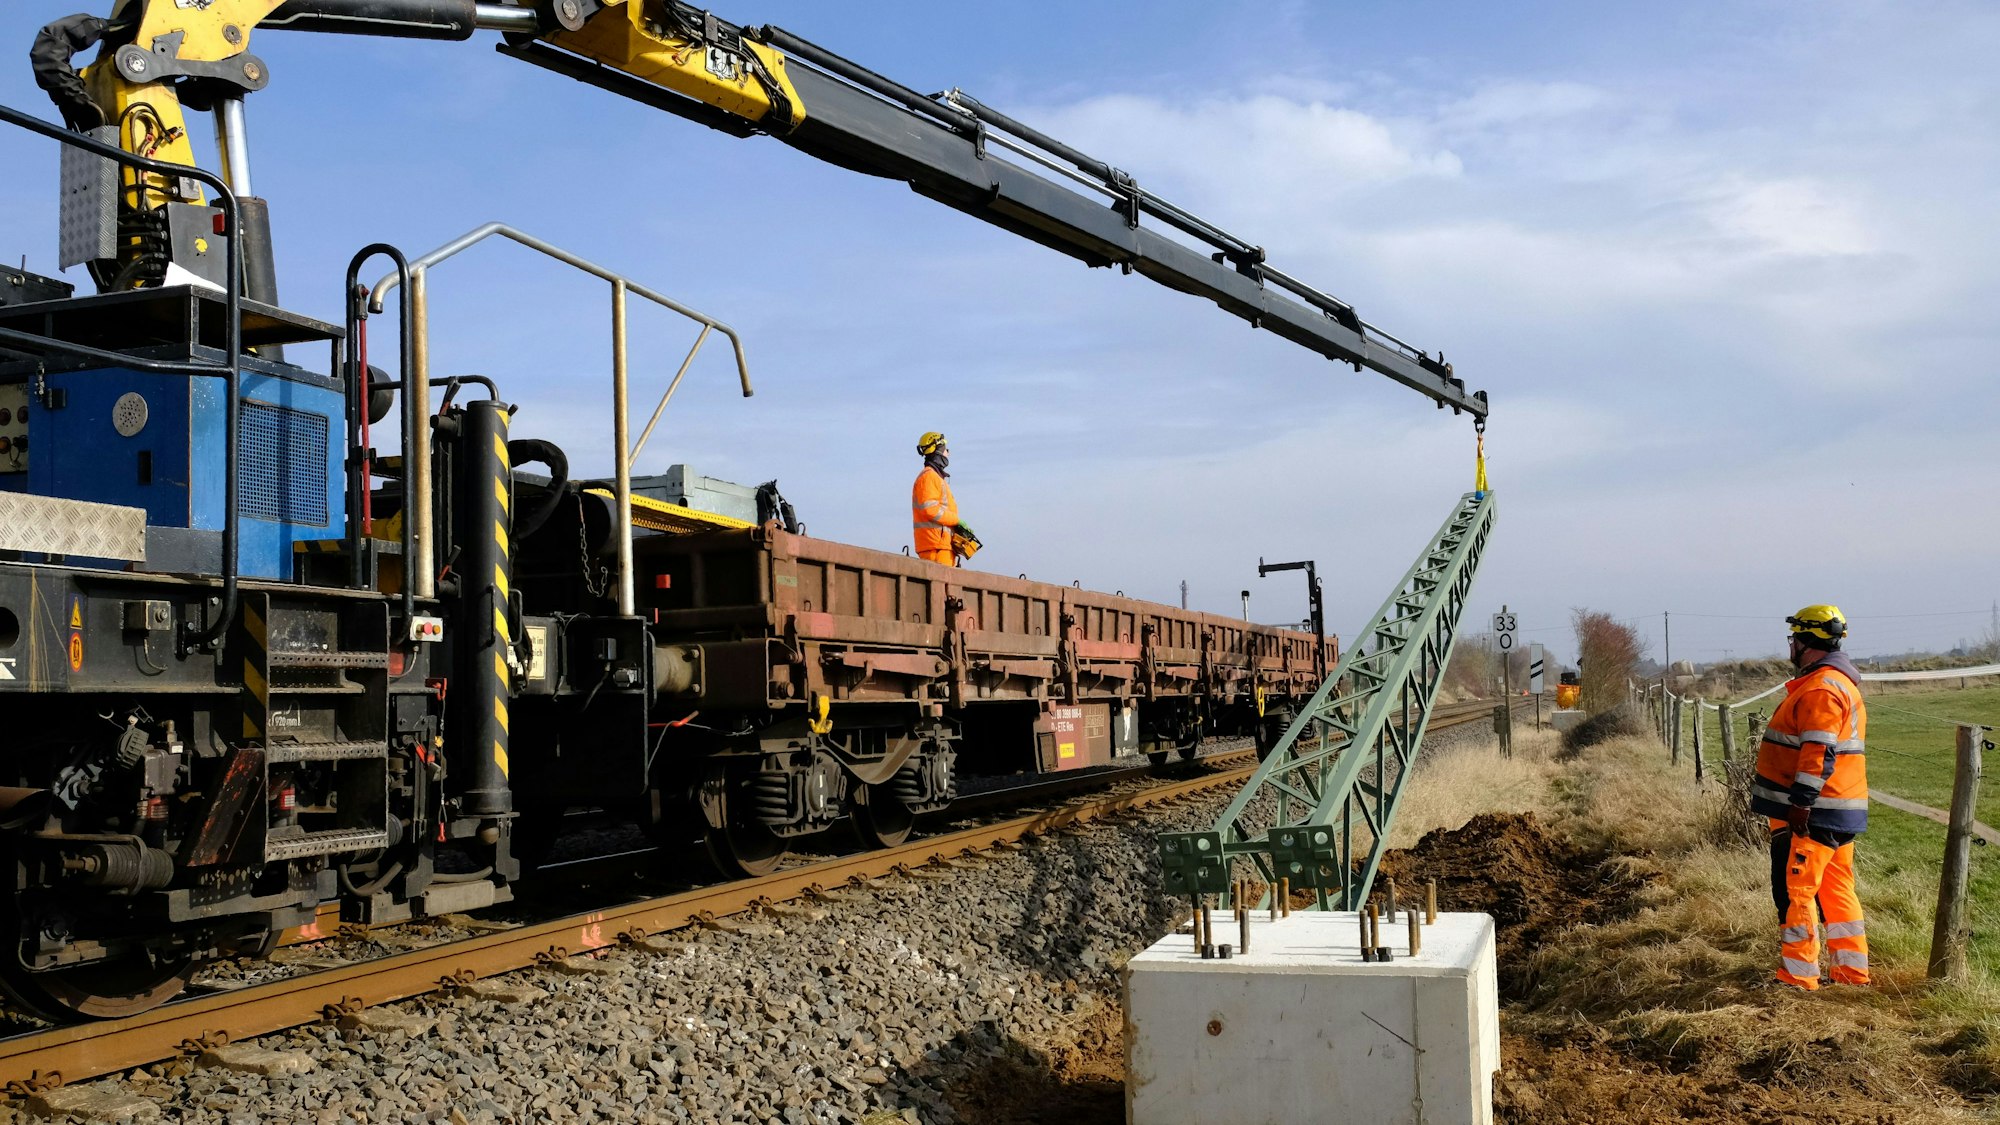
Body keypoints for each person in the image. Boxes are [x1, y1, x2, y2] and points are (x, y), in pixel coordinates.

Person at [1749, 605, 1869, 990]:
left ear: (1806, 642)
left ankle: (1798, 977)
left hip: (1813, 813)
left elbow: (1817, 751)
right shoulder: (1835, 683)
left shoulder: (1821, 689)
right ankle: (1851, 973)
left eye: (1794, 639)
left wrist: (1801, 803)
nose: (1791, 646)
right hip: (1837, 809)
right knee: (1837, 891)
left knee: (1796, 890)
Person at [911, 431, 962, 566]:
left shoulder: (936, 478)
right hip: (934, 546)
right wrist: (956, 520)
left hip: (941, 546)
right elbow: (930, 509)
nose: (948, 454)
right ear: (938, 451)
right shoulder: (929, 477)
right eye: (946, 450)